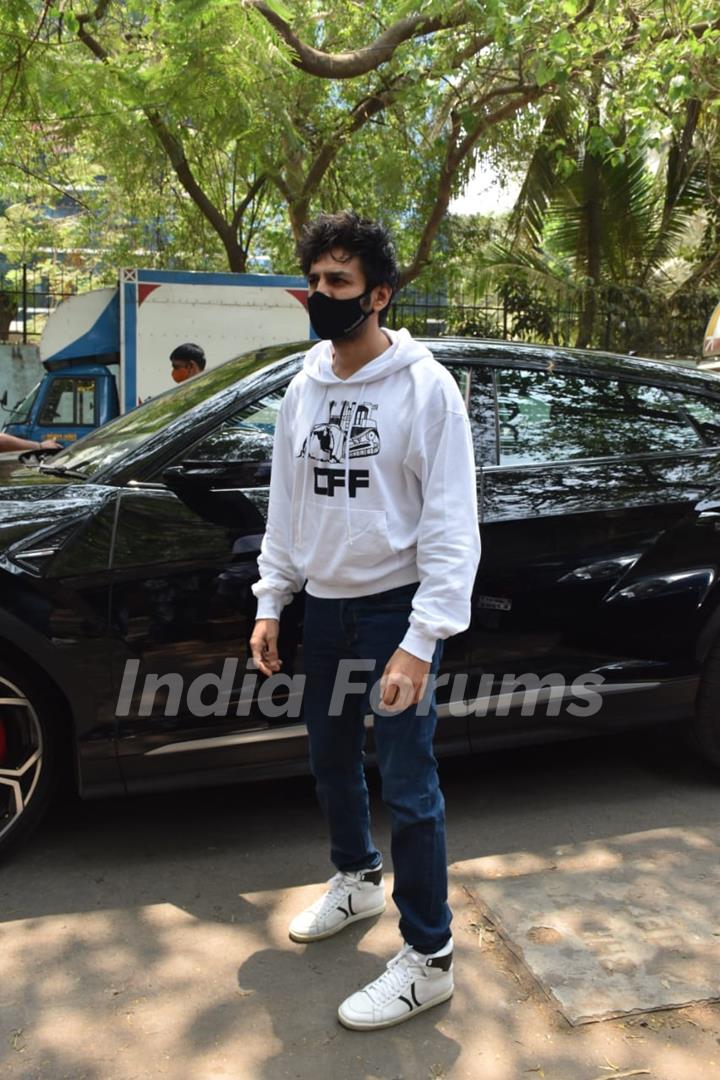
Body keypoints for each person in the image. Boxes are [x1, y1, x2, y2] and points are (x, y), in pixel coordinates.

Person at [249, 210, 480, 1031]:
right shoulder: (303, 386)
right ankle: (354, 878)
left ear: (378, 295)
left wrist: (420, 643)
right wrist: (272, 597)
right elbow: (287, 504)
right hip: (327, 605)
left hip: (394, 611)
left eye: (338, 283)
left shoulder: (426, 389)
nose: (320, 295)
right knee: (330, 758)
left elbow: (454, 529)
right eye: (313, 280)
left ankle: (429, 957)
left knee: (410, 783)